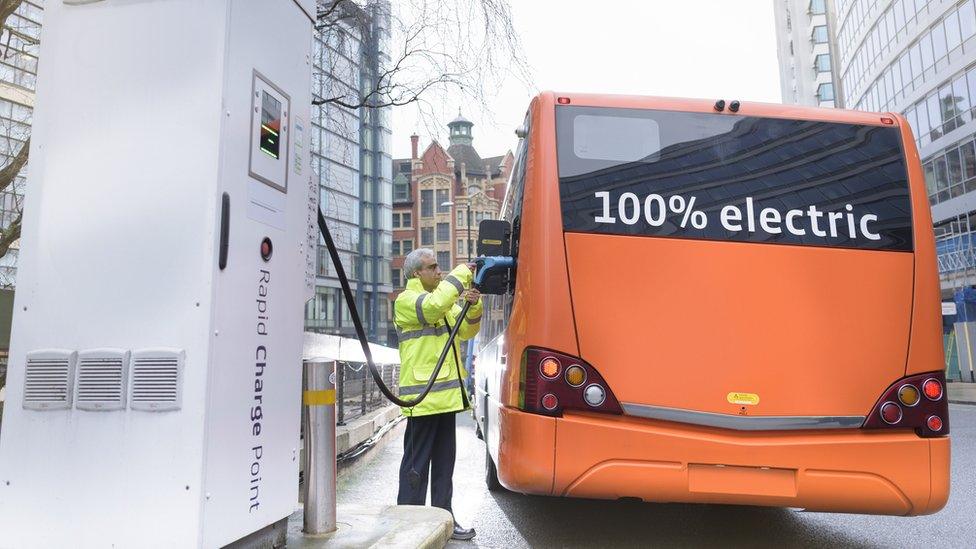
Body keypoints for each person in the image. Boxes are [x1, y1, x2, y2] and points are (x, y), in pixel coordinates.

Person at [394, 248, 482, 541]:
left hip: (444, 400)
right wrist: (462, 273)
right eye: (432, 268)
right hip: (422, 401)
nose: (438, 271)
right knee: (416, 468)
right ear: (417, 273)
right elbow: (432, 307)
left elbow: (467, 332)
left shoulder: (442, 303)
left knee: (445, 467)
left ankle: (445, 519)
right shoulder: (407, 301)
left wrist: (473, 307)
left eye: (439, 267)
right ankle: (408, 524)